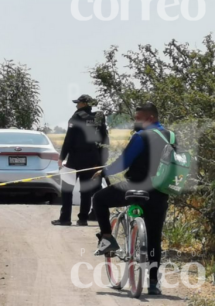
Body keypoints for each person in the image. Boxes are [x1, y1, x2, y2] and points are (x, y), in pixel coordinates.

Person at [91, 102, 171, 295]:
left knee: (99, 199)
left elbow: (124, 162)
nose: (135, 122)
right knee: (154, 237)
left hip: (136, 186)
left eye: (138, 118)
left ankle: (108, 239)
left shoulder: (141, 136)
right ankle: (153, 284)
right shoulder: (171, 136)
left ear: (150, 118)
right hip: (160, 191)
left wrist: (104, 171)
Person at [52, 94, 109, 226]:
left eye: (78, 103)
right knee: (85, 191)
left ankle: (65, 218)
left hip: (75, 160)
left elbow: (69, 139)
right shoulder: (98, 118)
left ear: (84, 104)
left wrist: (61, 158)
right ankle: (83, 219)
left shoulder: (76, 117)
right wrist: (101, 161)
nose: (76, 105)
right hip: (92, 159)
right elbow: (104, 140)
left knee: (67, 189)